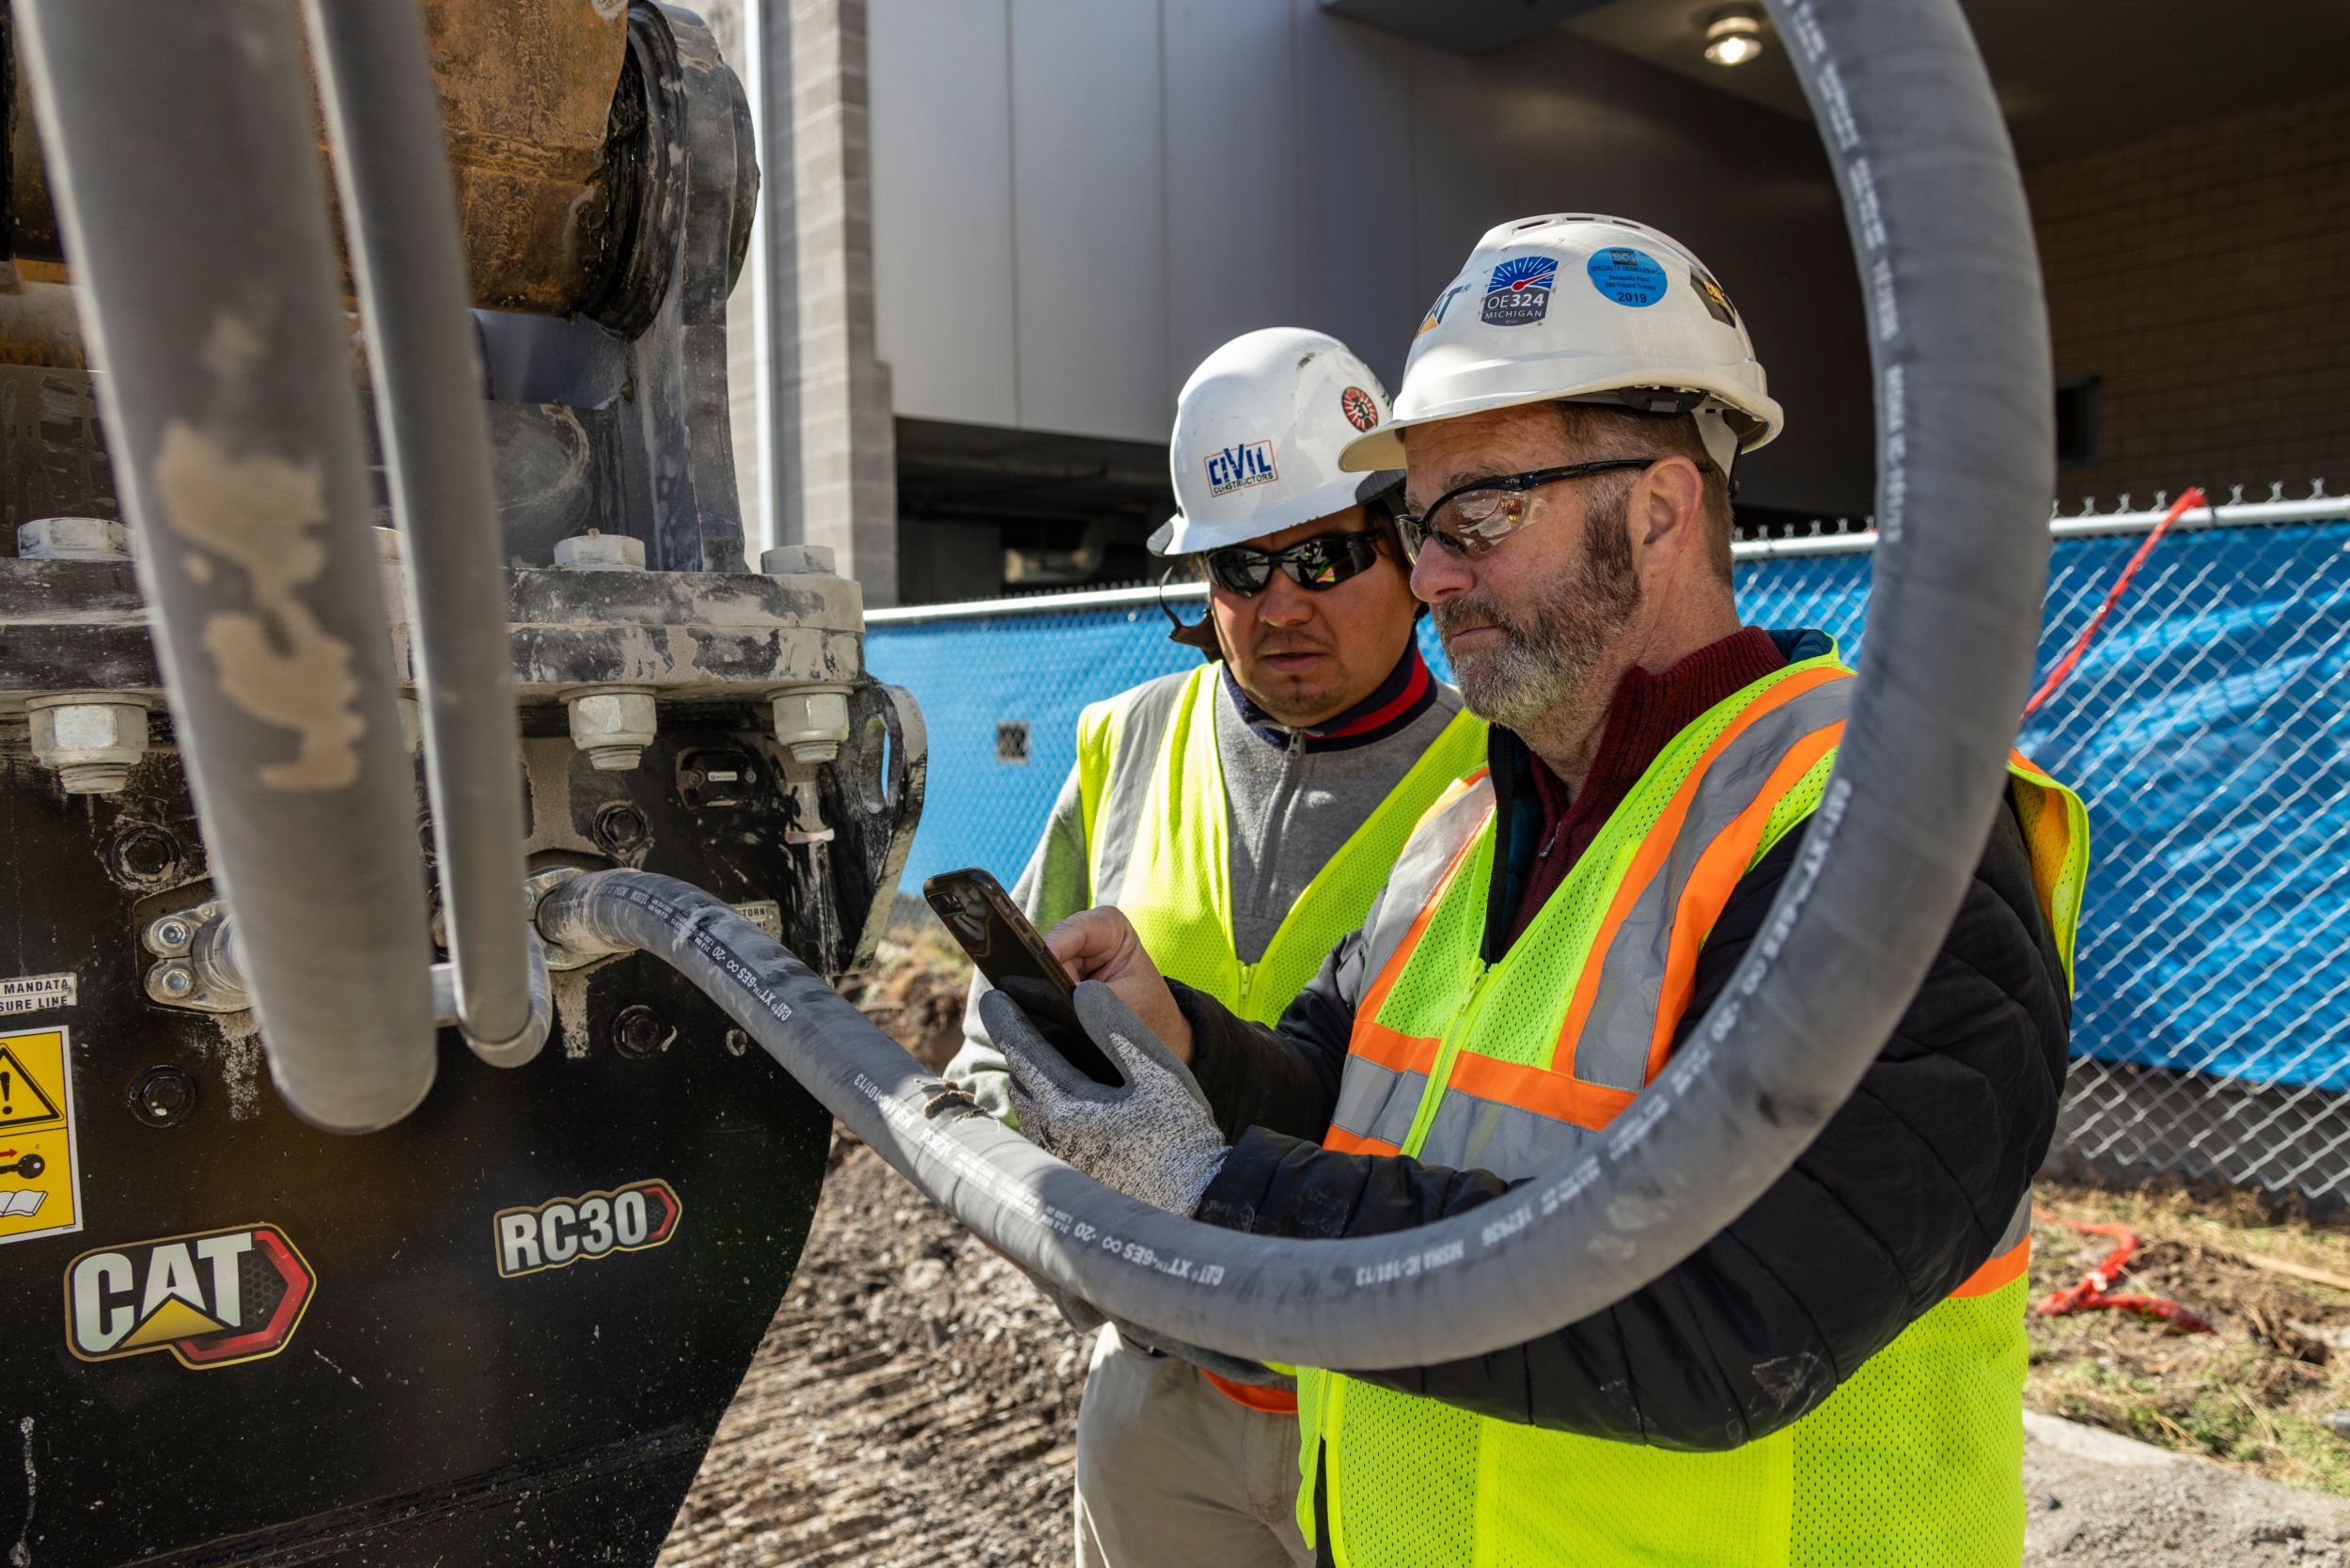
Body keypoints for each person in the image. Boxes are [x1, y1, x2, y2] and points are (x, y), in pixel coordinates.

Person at [982, 215, 2088, 1567]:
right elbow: (1333, 1098)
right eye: (1419, 523)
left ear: (1664, 510)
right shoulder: (1472, 825)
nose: (1432, 573)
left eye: (1481, 516)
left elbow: (1726, 1312)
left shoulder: (1877, 834)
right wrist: (1182, 1049)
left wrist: (1219, 1194)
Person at [947, 326, 1486, 1568]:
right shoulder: (1127, 739)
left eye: (1322, 556)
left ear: (1407, 553)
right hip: (1158, 1399)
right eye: (1241, 568)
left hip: (1399, 1400)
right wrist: (1050, 1202)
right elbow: (1002, 1025)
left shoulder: (1497, 779)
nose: (1280, 604)